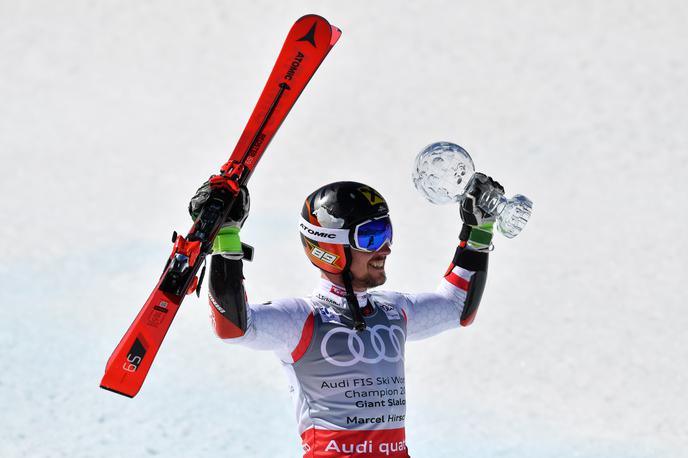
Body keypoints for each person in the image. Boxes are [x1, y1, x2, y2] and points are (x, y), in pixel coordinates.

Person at [189, 175, 503, 458]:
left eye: (386, 232)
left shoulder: (394, 312)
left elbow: (456, 306)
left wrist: (479, 228)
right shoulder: (304, 319)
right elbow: (233, 327)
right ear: (331, 248)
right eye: (371, 237)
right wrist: (225, 235)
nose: (386, 249)